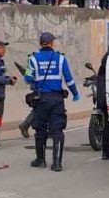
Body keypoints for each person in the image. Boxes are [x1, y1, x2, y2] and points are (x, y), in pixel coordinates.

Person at [23, 32, 80, 172]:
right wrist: (75, 94)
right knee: (57, 130)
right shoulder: (60, 58)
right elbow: (69, 79)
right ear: (52, 43)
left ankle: (40, 160)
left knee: (40, 129)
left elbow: (28, 79)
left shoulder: (33, 59)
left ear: (40, 43)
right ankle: (57, 163)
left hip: (41, 100)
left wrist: (33, 78)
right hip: (57, 100)